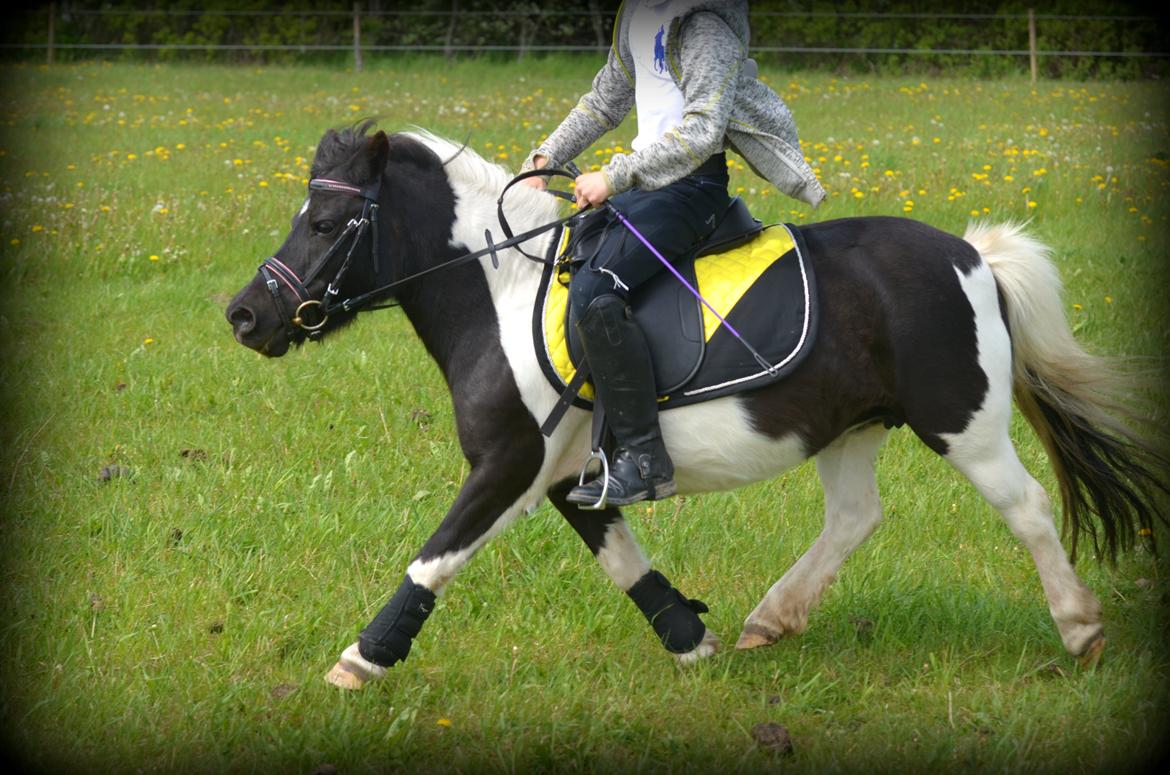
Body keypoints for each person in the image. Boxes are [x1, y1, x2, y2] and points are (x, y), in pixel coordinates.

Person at [520, 0, 824, 507]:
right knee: (569, 262)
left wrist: (614, 176)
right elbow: (604, 101)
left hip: (690, 189)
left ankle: (645, 461)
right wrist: (546, 157)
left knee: (597, 290)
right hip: (647, 187)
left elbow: (704, 130)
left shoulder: (706, 27)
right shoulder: (636, 14)